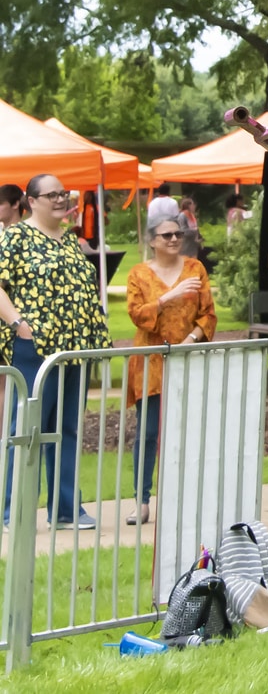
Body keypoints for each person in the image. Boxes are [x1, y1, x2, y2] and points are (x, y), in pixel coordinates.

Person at [0, 174, 111, 529]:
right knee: (27, 429)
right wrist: (20, 324)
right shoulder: (15, 237)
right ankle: (13, 511)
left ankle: (66, 510)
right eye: (53, 195)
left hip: (75, 348)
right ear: (31, 201)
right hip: (36, 349)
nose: (61, 200)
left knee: (67, 430)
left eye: (64, 194)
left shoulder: (70, 240)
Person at [123, 218, 216, 525]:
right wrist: (168, 297)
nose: (174, 238)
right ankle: (142, 500)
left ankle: (185, 498)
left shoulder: (195, 269)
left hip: (187, 360)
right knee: (148, 433)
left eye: (178, 233)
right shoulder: (139, 273)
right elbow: (137, 314)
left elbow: (208, 315)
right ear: (152, 240)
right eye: (167, 235)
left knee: (188, 433)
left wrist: (190, 340)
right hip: (151, 363)